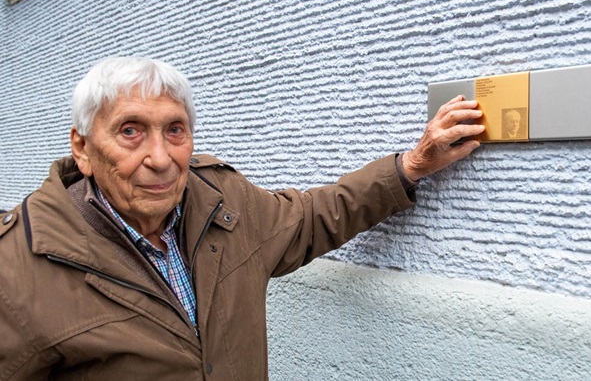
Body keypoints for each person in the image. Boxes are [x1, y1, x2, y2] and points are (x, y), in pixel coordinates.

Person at [0, 57, 484, 380]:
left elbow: (315, 216)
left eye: (175, 130)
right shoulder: (16, 269)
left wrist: (412, 166)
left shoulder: (221, 201)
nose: (161, 157)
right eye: (130, 131)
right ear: (82, 148)